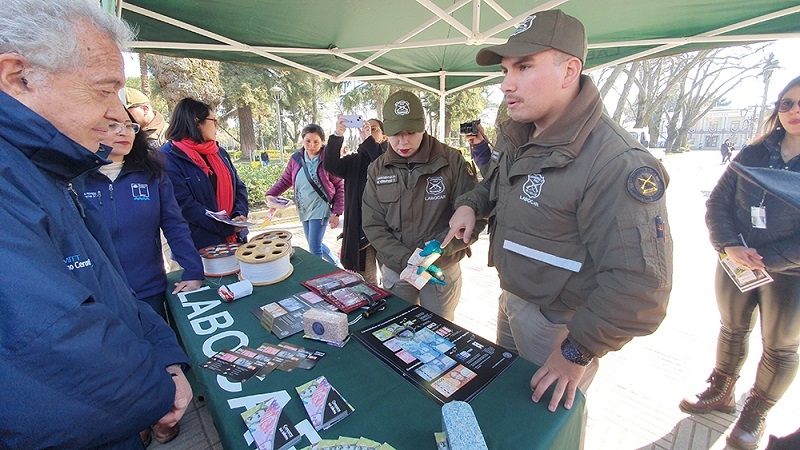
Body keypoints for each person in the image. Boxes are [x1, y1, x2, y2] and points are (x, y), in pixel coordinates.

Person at [444, 9, 672, 414]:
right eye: (505, 69)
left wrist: (574, 353)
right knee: (510, 403)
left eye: (525, 67)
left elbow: (641, 287)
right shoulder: (521, 133)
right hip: (512, 296)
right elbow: (495, 185)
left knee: (547, 423)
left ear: (570, 71)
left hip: (559, 324)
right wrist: (470, 205)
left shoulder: (616, 162)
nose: (506, 84)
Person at [0, 1, 192, 448]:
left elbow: (108, 289)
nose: (121, 116)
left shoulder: (49, 173)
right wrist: (158, 390)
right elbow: (47, 334)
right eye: (104, 90)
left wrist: (163, 356)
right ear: (18, 77)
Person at [679, 75, 800, 450]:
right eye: (787, 103)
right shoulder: (752, 152)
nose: (794, 111)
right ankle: (721, 390)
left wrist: (768, 259)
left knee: (780, 347)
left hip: (790, 274)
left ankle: (755, 413)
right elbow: (717, 202)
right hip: (736, 262)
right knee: (731, 329)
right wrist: (728, 245)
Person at [362, 90, 485, 321]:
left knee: (441, 338)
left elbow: (474, 217)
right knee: (397, 334)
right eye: (396, 134)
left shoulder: (452, 162)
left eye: (411, 132)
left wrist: (441, 248)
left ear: (424, 125)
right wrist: (407, 259)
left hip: (440, 270)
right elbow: (373, 225)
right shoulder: (377, 169)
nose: (404, 141)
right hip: (397, 272)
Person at [83, 113, 205, 321]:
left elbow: (174, 224)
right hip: (93, 295)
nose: (123, 132)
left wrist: (194, 271)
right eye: (112, 126)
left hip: (148, 290)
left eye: (129, 126)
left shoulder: (152, 172)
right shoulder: (73, 178)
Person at [161, 97, 250, 250]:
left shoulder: (219, 152)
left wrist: (237, 215)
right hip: (198, 246)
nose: (217, 126)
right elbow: (185, 205)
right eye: (213, 121)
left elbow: (239, 187)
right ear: (196, 122)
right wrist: (226, 227)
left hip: (235, 239)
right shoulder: (169, 157)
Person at [266, 124, 344, 265]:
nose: (311, 145)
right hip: (304, 208)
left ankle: (318, 277)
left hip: (320, 208)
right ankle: (335, 263)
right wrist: (271, 194)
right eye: (308, 141)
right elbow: (286, 180)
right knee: (314, 242)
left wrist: (336, 213)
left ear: (322, 142)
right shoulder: (296, 158)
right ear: (303, 140)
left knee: (314, 247)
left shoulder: (328, 159)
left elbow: (340, 186)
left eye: (316, 142)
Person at [323, 116, 388, 284]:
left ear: (384, 136)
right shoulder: (354, 161)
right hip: (361, 232)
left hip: (387, 232)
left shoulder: (390, 158)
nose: (369, 131)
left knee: (392, 278)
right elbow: (331, 165)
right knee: (366, 280)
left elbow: (382, 165)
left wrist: (368, 142)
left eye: (374, 129)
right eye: (367, 128)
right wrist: (338, 134)